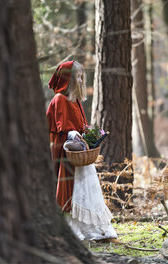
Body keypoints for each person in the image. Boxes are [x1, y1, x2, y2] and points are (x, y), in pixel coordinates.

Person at [46, 60, 117, 241]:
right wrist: (74, 136)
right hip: (67, 155)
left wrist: (90, 137)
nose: (80, 81)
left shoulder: (75, 100)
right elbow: (63, 129)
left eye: (81, 77)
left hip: (80, 154)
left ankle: (95, 230)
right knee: (72, 189)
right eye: (76, 77)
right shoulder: (59, 100)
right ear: (67, 79)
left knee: (86, 188)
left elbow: (80, 126)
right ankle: (73, 229)